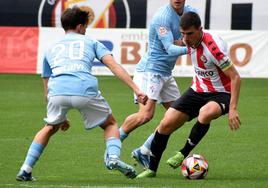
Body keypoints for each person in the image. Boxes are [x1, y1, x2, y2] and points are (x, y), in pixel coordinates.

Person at [16, 6, 148, 181]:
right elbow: (114, 66)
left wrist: (58, 115)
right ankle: (113, 158)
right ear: (79, 27)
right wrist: (136, 89)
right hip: (83, 89)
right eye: (85, 26)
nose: (86, 30)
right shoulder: (92, 42)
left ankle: (25, 169)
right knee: (110, 124)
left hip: (57, 92)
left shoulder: (51, 48)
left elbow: (46, 82)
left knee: (49, 127)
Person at [137, 11, 241, 178]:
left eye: (190, 34)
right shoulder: (188, 40)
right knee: (166, 123)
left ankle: (183, 153)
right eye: (183, 34)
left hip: (222, 92)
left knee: (206, 113)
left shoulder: (214, 48)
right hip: (197, 90)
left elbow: (235, 77)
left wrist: (233, 109)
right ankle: (151, 169)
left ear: (200, 29)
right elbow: (174, 45)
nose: (186, 38)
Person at [118, 0, 197, 169]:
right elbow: (170, 48)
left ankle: (144, 150)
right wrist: (191, 47)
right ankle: (113, 143)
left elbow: (193, 36)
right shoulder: (162, 17)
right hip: (150, 70)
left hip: (166, 73)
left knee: (179, 116)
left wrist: (186, 43)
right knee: (145, 115)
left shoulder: (191, 13)